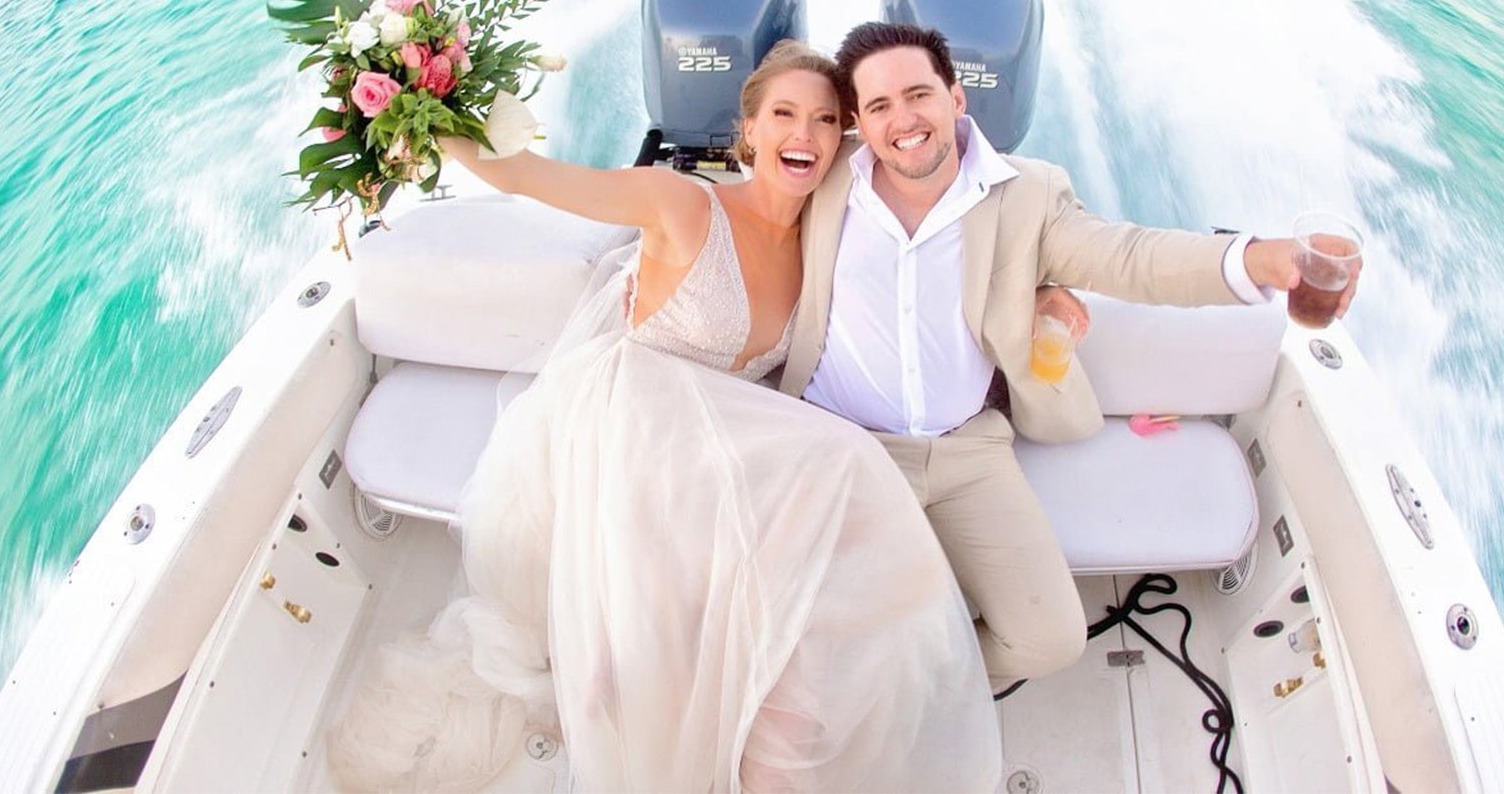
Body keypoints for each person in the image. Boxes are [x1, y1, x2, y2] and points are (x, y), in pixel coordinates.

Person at [327, 41, 1001, 792]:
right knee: (841, 471)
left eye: (824, 119)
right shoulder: (680, 204)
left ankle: (772, 740)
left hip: (716, 437)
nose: (803, 135)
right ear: (748, 133)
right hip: (633, 425)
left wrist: (1038, 296)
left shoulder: (828, 239)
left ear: (845, 138)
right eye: (783, 115)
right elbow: (526, 176)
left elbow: (934, 250)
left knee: (823, 561)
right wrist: (415, 101)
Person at [779, 22, 1358, 692]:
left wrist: (1262, 258)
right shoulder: (822, 180)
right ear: (856, 122)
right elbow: (738, 205)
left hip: (969, 451)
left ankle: (916, 681)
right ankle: (886, 679)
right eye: (879, 107)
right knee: (809, 632)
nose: (903, 120)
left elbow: (1131, 258)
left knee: (1047, 641)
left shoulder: (1029, 193)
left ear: (956, 98)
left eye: (919, 95)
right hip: (849, 448)